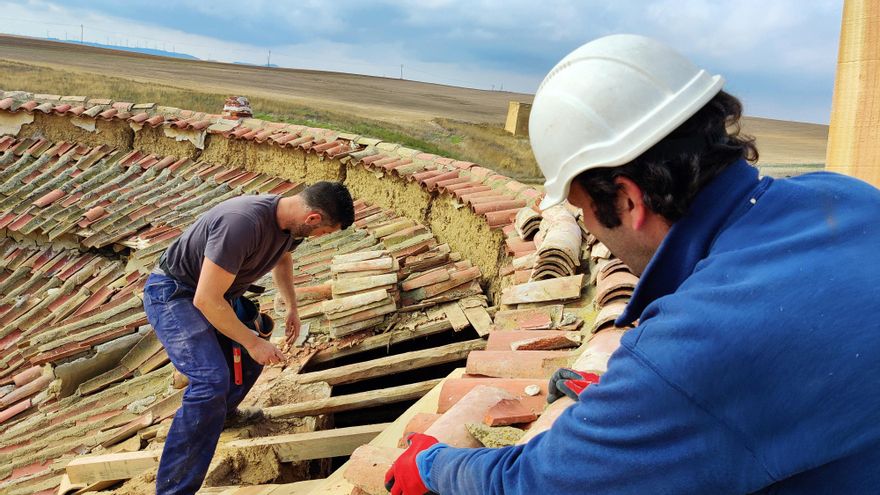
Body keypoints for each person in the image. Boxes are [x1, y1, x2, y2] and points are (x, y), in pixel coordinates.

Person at [384, 34, 880, 494]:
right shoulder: (847, 197)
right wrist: (641, 401)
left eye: (581, 211)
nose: (587, 227)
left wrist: (431, 466)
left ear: (626, 200)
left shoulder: (694, 348)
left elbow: (536, 483)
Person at [143, 181, 354, 495]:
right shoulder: (241, 224)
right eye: (324, 232)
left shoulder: (289, 226)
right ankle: (174, 490)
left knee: (250, 360)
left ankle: (223, 414)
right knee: (210, 379)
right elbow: (205, 299)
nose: (320, 237)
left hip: (214, 295)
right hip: (174, 294)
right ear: (312, 219)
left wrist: (291, 305)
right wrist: (253, 342)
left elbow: (283, 258)